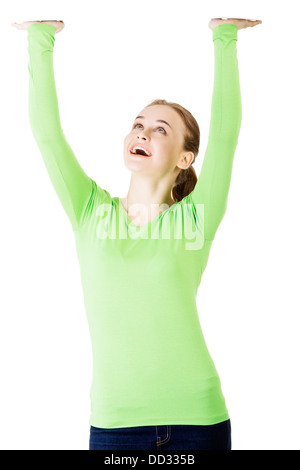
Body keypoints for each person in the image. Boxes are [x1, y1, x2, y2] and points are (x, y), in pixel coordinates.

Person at [12, 16, 262, 450]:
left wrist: (225, 38)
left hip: (197, 422)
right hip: (114, 425)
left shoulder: (195, 219)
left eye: (160, 129)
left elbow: (224, 136)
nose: (142, 132)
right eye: (139, 123)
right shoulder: (89, 209)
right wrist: (41, 39)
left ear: (184, 159)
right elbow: (48, 136)